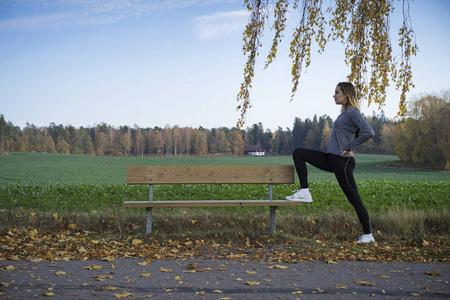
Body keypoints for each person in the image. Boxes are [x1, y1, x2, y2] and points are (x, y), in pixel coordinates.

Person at [286, 82, 375, 244]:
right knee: (299, 153)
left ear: (346, 94)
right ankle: (305, 191)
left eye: (337, 92)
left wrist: (350, 146)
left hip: (343, 162)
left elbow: (370, 131)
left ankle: (368, 235)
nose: (334, 95)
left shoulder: (353, 112)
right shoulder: (345, 114)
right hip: (331, 159)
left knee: (355, 200)